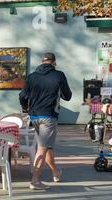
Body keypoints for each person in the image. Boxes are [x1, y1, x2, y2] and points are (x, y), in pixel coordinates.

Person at [19, 52, 72, 190]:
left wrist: (25, 108)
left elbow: (22, 96)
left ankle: (55, 172)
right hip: (49, 116)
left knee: (46, 146)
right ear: (54, 62)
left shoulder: (31, 77)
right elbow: (68, 96)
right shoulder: (59, 75)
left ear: (42, 62)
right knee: (42, 148)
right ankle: (35, 181)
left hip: (34, 116)